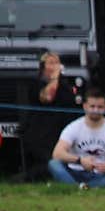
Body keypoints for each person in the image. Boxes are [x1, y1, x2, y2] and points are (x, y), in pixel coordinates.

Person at [19, 51, 83, 181]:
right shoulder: (36, 84)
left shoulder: (65, 85)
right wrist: (54, 78)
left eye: (57, 63)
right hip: (41, 130)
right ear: (43, 67)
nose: (55, 66)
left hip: (62, 128)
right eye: (51, 63)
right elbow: (47, 97)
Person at [48, 87, 105, 188]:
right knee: (53, 164)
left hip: (101, 174)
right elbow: (57, 153)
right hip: (75, 171)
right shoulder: (73, 127)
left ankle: (80, 187)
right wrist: (80, 160)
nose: (96, 110)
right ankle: (81, 186)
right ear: (85, 106)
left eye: (100, 107)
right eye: (92, 106)